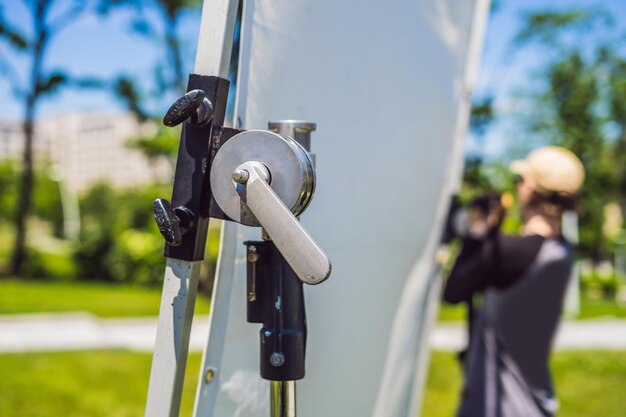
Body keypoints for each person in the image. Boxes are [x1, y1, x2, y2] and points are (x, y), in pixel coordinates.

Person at [443, 146, 585, 417]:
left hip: (497, 407)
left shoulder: (509, 252)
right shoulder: (563, 251)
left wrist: (477, 232)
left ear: (530, 188)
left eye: (520, 181)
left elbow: (453, 291)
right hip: (535, 402)